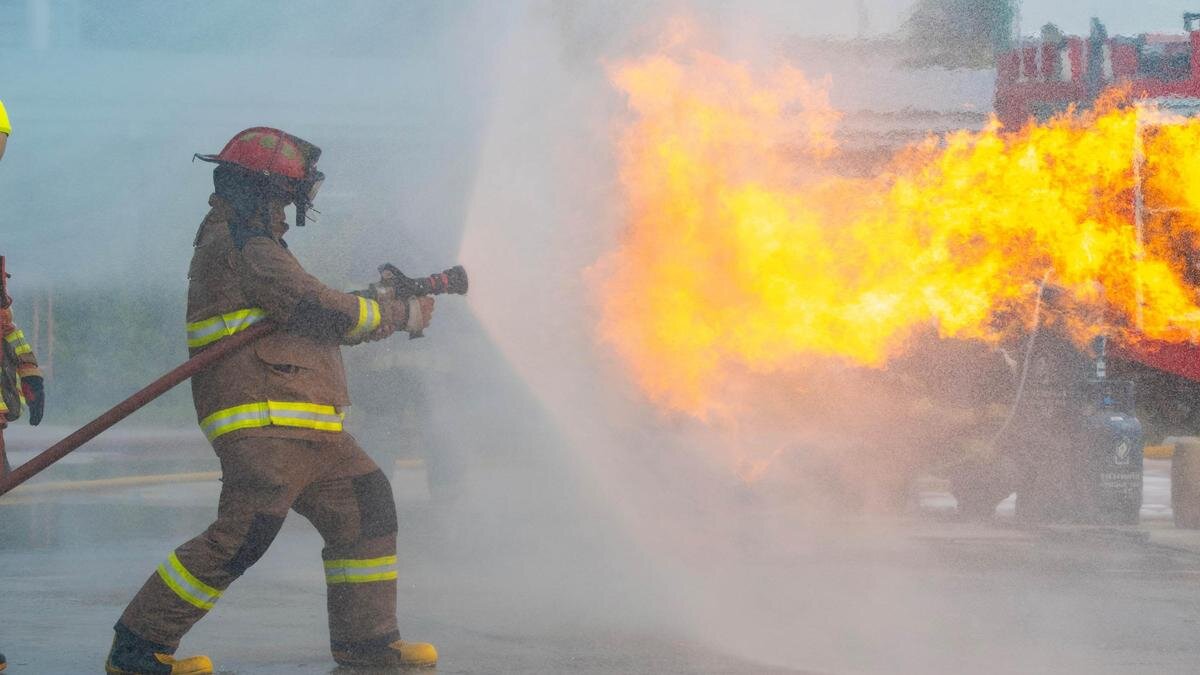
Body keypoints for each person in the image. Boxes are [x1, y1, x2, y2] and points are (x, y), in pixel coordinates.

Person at [105, 127, 438, 675]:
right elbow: (312, 306)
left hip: (308, 424)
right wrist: (396, 315)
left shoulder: (255, 244)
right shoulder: (244, 243)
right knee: (242, 534)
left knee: (367, 510)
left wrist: (372, 307)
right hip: (265, 420)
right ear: (265, 190)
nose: (295, 202)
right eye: (289, 191)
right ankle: (137, 647)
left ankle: (368, 644)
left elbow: (309, 312)